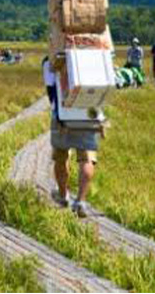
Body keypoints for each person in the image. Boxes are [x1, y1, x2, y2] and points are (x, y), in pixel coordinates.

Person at [43, 57, 101, 217]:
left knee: (61, 157)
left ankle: (63, 195)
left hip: (62, 116)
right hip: (89, 114)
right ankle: (81, 201)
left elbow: (50, 90)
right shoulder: (95, 57)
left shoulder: (50, 61)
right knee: (87, 158)